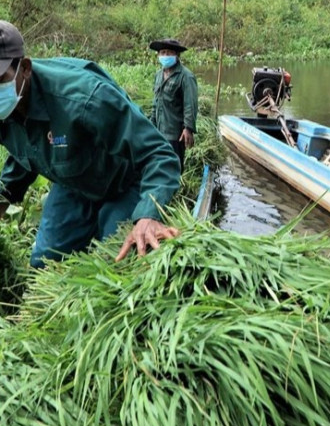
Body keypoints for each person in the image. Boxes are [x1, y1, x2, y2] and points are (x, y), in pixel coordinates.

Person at [0, 20, 182, 268]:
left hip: (126, 180)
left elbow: (159, 153)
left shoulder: (85, 99)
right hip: (74, 181)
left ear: (25, 69)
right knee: (44, 262)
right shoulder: (7, 109)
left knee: (117, 262)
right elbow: (30, 146)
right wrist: (5, 194)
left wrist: (148, 214)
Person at [149, 38, 198, 172]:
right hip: (159, 129)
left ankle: (176, 190)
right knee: (159, 164)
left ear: (177, 56)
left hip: (175, 133)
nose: (165, 56)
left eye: (169, 53)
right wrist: (151, 124)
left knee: (174, 166)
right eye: (162, 53)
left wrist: (188, 128)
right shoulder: (158, 75)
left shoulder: (185, 76)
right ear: (158, 55)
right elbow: (156, 102)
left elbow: (190, 104)